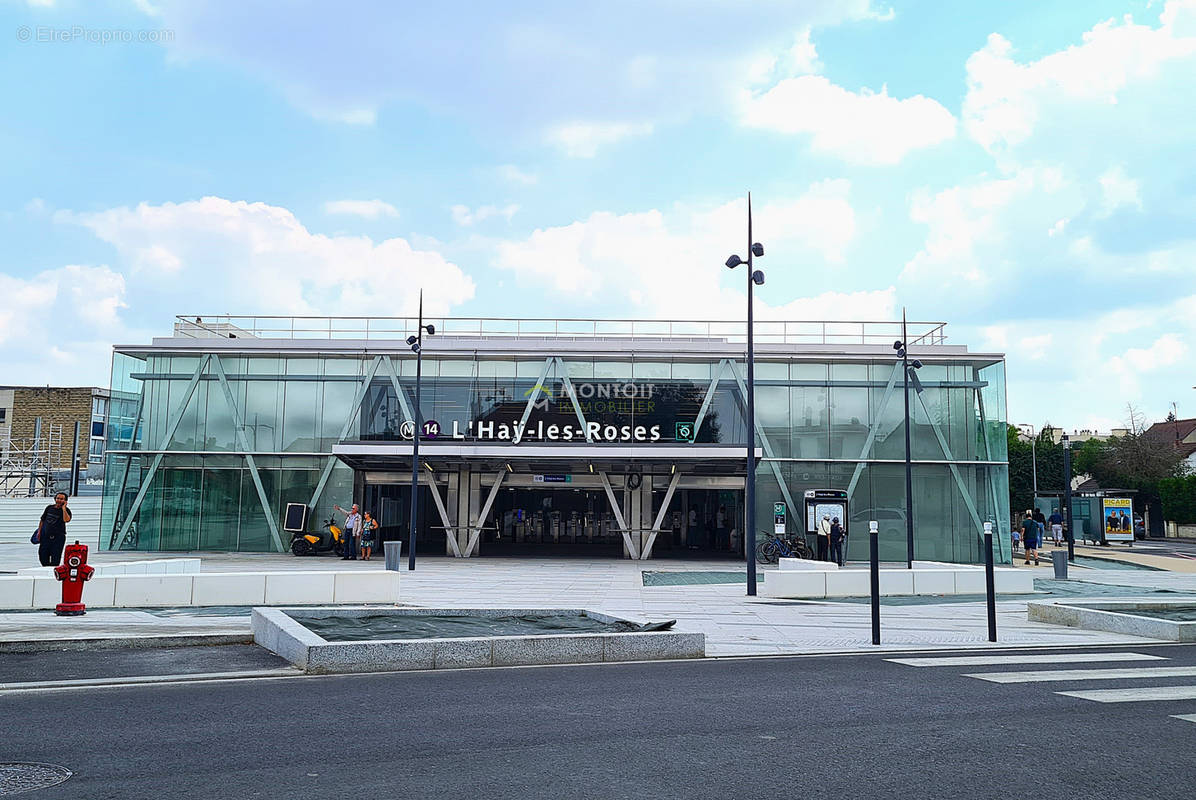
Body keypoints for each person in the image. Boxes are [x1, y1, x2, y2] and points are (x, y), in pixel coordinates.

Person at [36, 492, 72, 567]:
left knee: (55, 558)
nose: (59, 500)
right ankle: (46, 568)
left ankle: (53, 571)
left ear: (65, 501)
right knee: (42, 555)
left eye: (62, 499)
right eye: (58, 498)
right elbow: (42, 520)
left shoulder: (66, 511)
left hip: (58, 538)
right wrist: (39, 532)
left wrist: (64, 509)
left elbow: (66, 520)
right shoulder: (49, 508)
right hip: (45, 536)